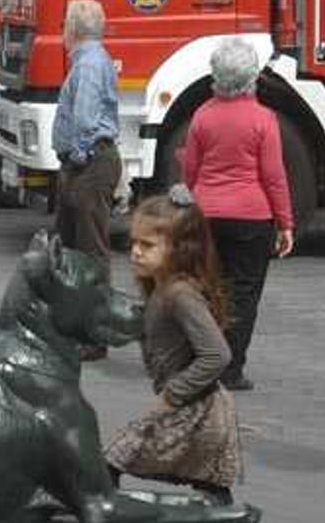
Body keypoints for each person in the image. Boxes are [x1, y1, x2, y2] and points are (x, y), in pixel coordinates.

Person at [104, 186, 240, 506]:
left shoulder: (180, 295)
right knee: (206, 483)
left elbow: (218, 354)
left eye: (147, 245)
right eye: (134, 243)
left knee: (110, 462)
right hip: (189, 408)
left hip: (197, 411)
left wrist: (173, 392)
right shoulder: (161, 288)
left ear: (180, 249)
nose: (136, 251)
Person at [180, 37, 295, 391]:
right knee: (243, 294)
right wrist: (285, 223)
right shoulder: (264, 119)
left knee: (206, 289)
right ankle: (231, 369)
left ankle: (202, 359)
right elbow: (274, 176)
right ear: (253, 77)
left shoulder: (202, 116)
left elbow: (190, 170)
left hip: (207, 213)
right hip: (251, 217)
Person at [52, 0, 120, 360]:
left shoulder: (89, 64)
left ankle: (95, 334)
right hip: (87, 163)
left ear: (72, 28)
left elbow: (85, 116)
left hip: (88, 164)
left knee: (90, 251)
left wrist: (77, 156)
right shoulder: (92, 59)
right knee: (76, 248)